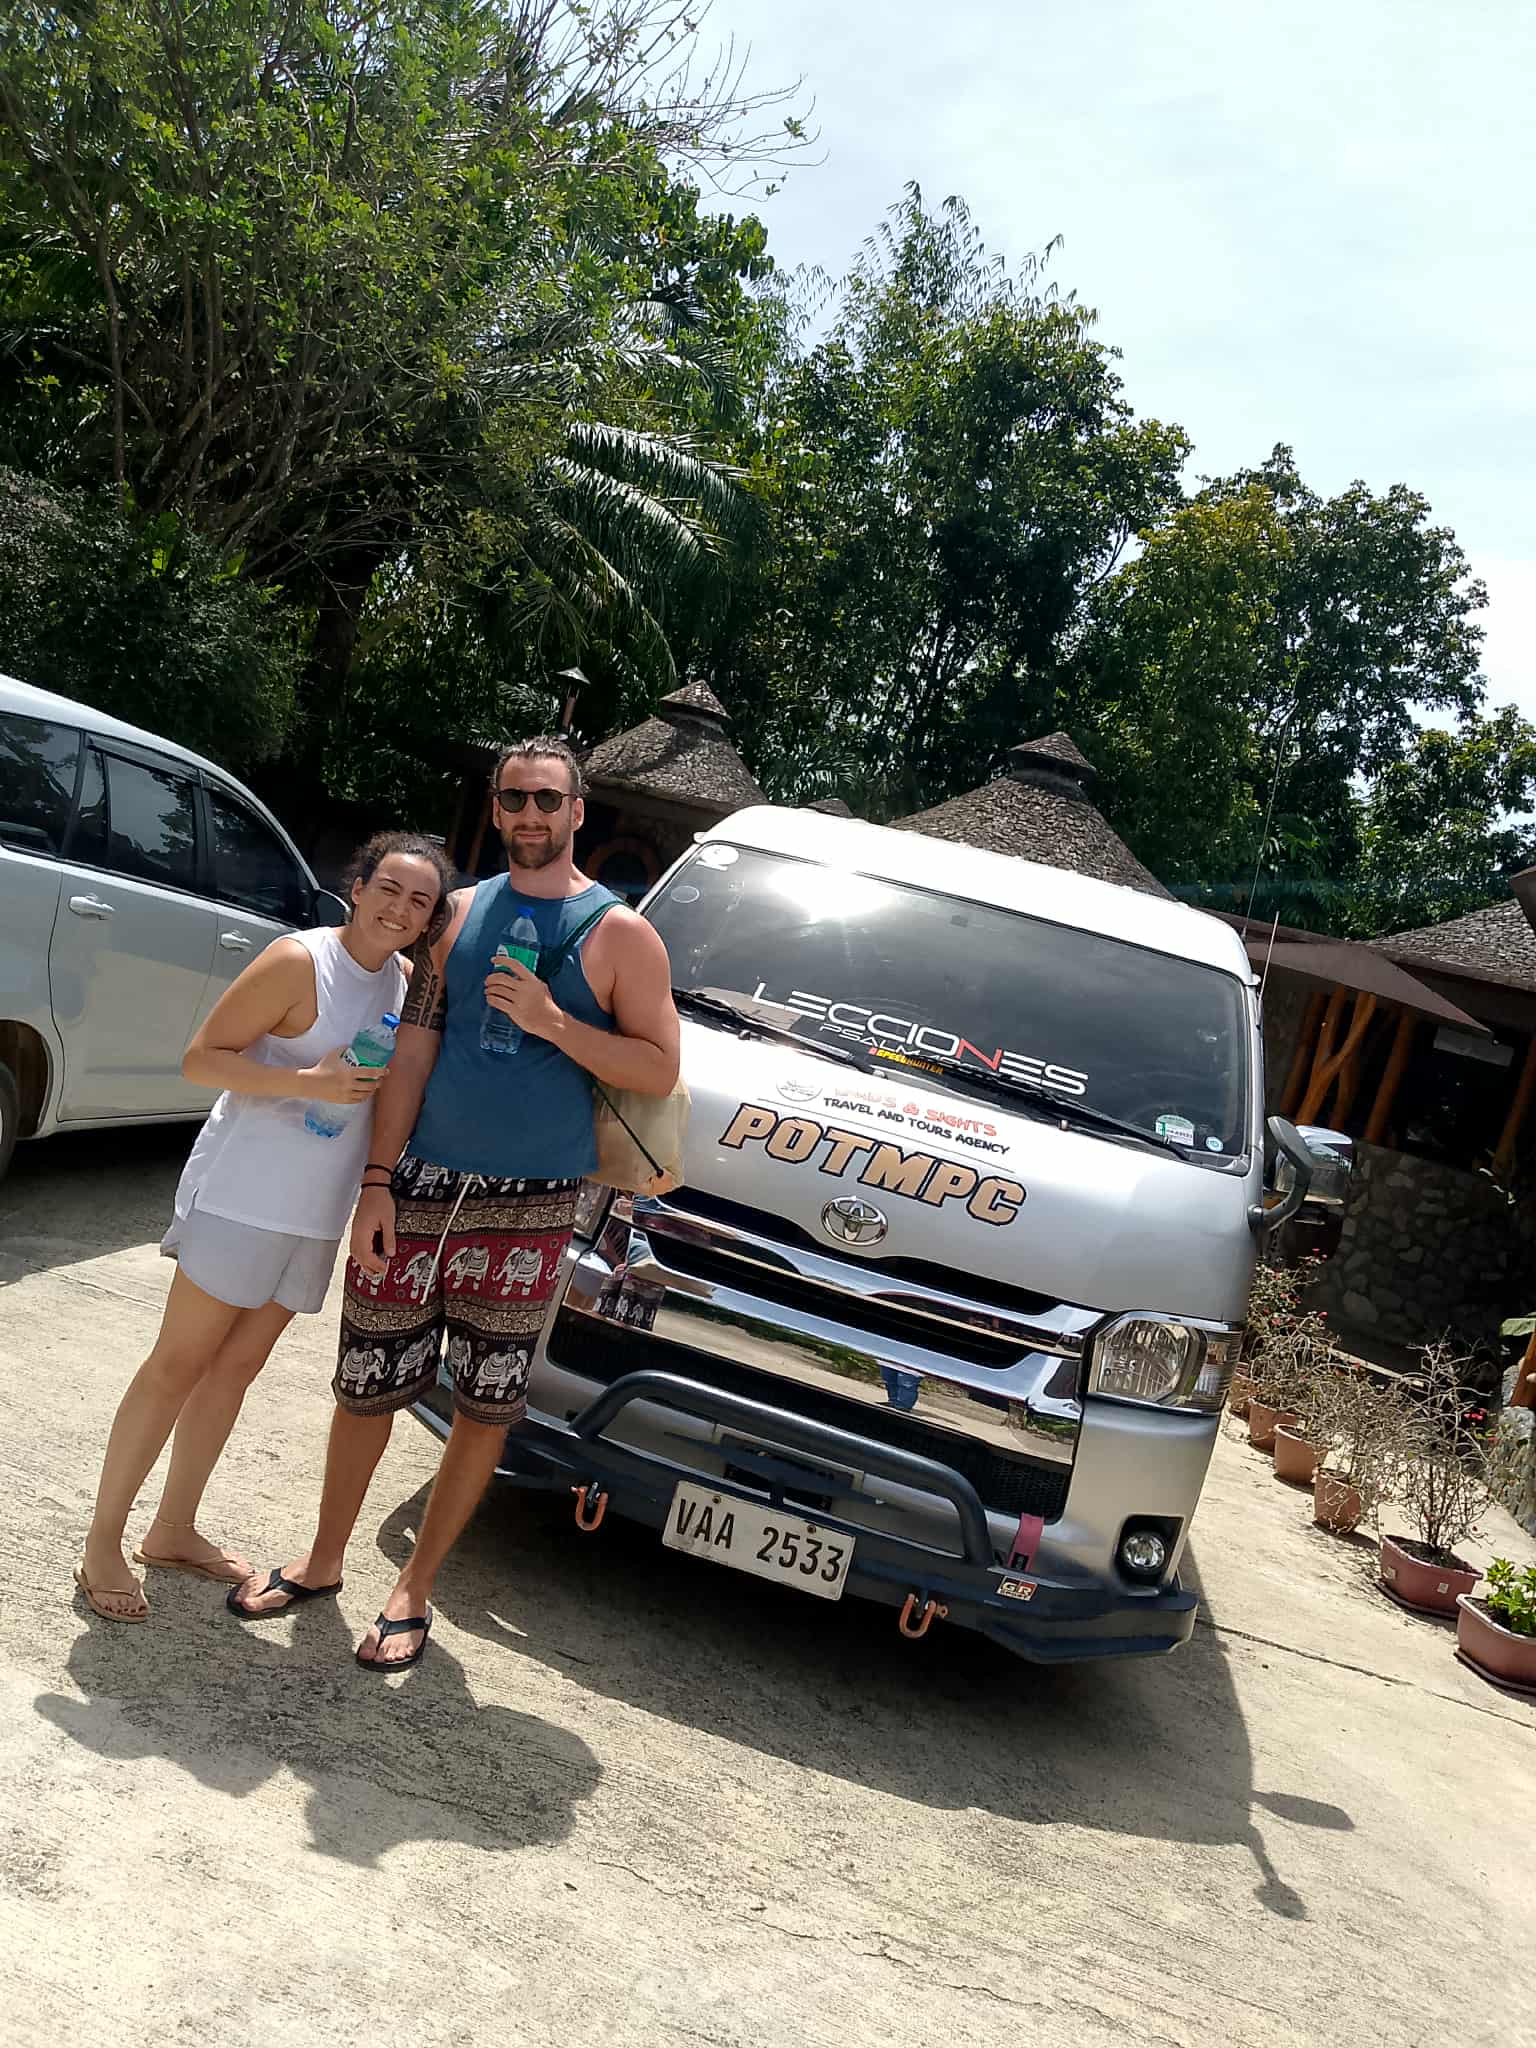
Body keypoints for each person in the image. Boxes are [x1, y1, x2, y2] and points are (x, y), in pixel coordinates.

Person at [230, 737, 680, 1670]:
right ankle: (321, 1561)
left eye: (547, 800)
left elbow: (660, 1064)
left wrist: (554, 1023)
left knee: (485, 1402)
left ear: (577, 813)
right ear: (498, 806)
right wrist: (378, 1181)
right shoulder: (458, 915)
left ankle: (413, 1589)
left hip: (536, 1201)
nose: (529, 815)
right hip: (425, 1181)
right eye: (514, 799)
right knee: (366, 1384)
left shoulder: (620, 934)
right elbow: (416, 1050)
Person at [75, 833, 455, 1622]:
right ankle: (102, 1541)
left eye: (420, 900)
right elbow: (201, 1059)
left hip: (315, 1215)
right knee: (176, 1366)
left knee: (234, 1371)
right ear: (357, 885)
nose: (400, 908)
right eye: (389, 887)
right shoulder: (299, 961)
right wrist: (306, 1079)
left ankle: (173, 1528)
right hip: (241, 1196)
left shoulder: (405, 983)